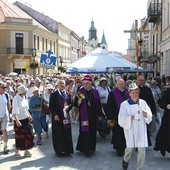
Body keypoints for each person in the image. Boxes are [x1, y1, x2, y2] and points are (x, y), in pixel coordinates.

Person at [118, 82, 152, 170]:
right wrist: (131, 117)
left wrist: (145, 114)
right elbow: (121, 119)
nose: (135, 94)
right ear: (129, 93)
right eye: (132, 92)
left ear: (138, 93)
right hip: (131, 130)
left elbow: (149, 115)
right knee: (130, 149)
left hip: (141, 130)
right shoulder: (124, 105)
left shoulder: (143, 103)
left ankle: (140, 168)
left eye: (136, 92)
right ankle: (125, 160)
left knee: (141, 151)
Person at [73, 75, 103, 156]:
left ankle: (91, 148)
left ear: (90, 83)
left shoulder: (95, 91)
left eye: (87, 83)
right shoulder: (80, 91)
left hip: (93, 116)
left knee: (92, 131)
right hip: (84, 116)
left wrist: (100, 114)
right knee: (85, 132)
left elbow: (98, 104)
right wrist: (78, 102)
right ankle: (86, 149)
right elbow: (75, 103)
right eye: (84, 83)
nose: (85, 85)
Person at [49, 80, 73, 157]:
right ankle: (60, 150)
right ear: (57, 85)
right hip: (57, 117)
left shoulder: (67, 94)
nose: (62, 85)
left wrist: (68, 107)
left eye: (63, 83)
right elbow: (51, 106)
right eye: (60, 83)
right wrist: (55, 114)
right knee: (58, 133)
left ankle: (67, 150)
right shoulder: (54, 94)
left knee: (67, 132)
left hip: (66, 116)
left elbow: (71, 104)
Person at [107, 78, 129, 156]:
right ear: (117, 84)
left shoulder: (128, 92)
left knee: (125, 133)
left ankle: (125, 147)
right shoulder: (112, 93)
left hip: (126, 117)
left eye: (123, 84)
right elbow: (109, 106)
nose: (121, 85)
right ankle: (119, 149)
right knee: (117, 133)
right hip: (116, 117)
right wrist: (109, 118)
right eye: (120, 84)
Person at [12, 85, 34, 157]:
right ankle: (17, 151)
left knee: (28, 135)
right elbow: (14, 111)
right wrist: (17, 121)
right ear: (22, 91)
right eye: (25, 91)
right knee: (19, 137)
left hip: (25, 119)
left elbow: (26, 108)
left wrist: (29, 115)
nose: (26, 92)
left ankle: (26, 151)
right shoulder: (16, 99)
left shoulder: (24, 97)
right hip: (19, 120)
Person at [137, 75, 156, 146]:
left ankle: (145, 142)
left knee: (145, 127)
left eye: (142, 80)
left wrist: (153, 111)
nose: (141, 81)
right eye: (140, 80)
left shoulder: (148, 89)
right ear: (137, 81)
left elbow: (151, 100)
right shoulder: (134, 89)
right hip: (136, 111)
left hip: (144, 111)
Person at [153, 83, 170, 156]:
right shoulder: (167, 92)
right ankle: (162, 147)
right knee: (165, 133)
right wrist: (166, 106)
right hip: (168, 117)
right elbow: (161, 102)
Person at [0, 81, 11, 154]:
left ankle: (5, 147)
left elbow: (9, 105)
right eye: (3, 87)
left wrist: (9, 114)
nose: (5, 89)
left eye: (5, 87)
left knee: (5, 130)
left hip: (4, 115)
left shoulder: (6, 95)